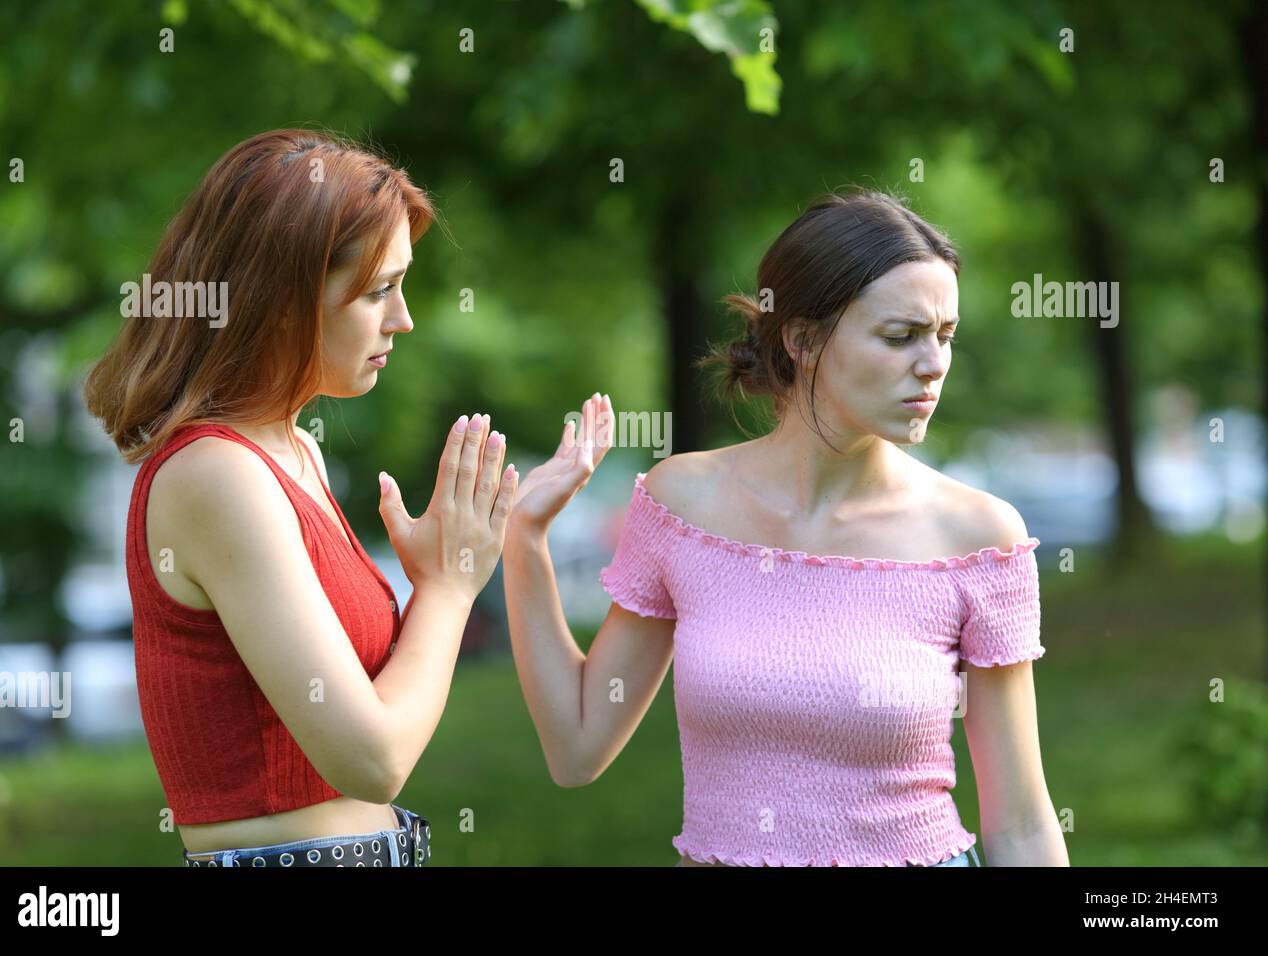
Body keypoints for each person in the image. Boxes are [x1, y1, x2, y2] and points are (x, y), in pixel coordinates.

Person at [502, 189, 1070, 867]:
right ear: (801, 339)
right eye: (901, 336)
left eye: (944, 335)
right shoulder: (683, 504)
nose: (934, 364)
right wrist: (525, 543)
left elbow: (1024, 826)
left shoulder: (977, 538)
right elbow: (576, 747)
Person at [84, 129, 517, 867]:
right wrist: (448, 589)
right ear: (280, 300)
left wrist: (432, 591)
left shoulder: (293, 452)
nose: (402, 319)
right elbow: (373, 759)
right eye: (379, 291)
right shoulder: (214, 475)